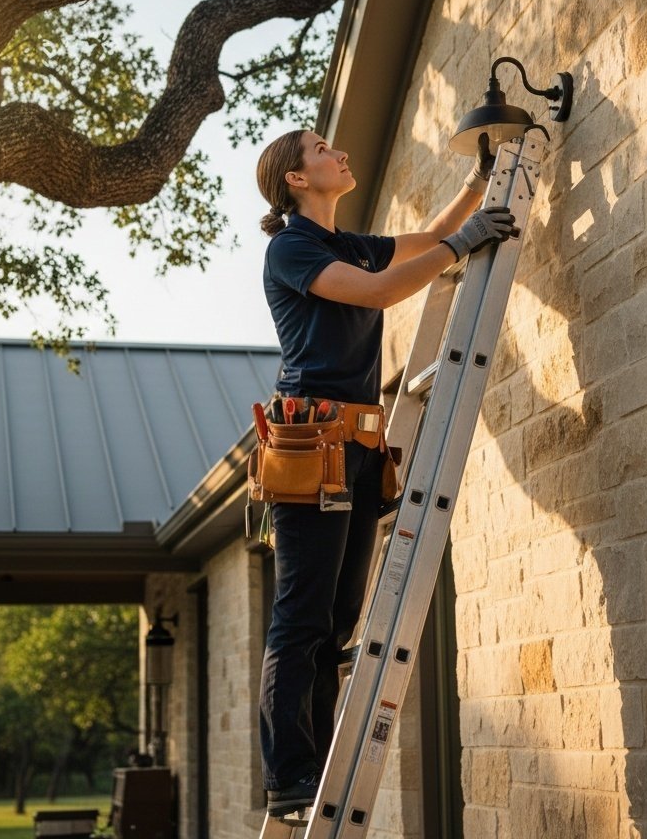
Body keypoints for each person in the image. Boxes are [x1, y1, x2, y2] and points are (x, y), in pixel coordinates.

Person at [255, 128, 517, 818]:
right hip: (314, 447)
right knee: (302, 615)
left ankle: (316, 765)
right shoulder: (292, 248)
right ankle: (289, 773)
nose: (339, 152)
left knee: (338, 618)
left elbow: (426, 239)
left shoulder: (346, 243)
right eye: (321, 149)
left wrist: (476, 184)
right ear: (295, 179)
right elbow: (376, 294)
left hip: (360, 449)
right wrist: (461, 247)